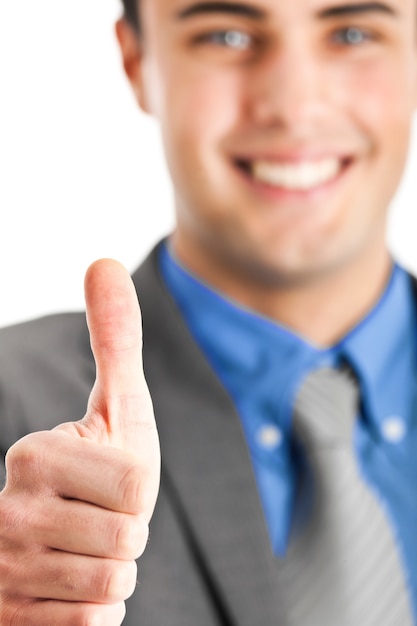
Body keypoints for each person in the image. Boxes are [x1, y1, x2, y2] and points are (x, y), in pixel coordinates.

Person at [0, 0, 416, 624]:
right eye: (226, 35)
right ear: (137, 61)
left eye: (352, 33)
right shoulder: (12, 407)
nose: (295, 106)